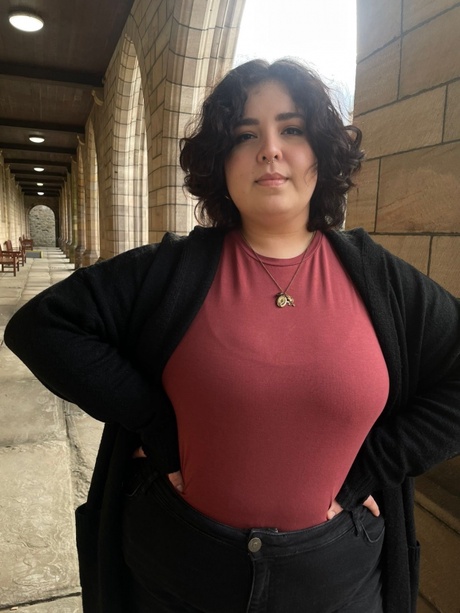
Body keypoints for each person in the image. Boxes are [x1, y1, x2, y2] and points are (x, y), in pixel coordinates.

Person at [4, 58, 460, 613]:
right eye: (246, 135)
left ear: (320, 149)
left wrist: (374, 466)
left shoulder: (382, 281)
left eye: (290, 129)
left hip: (335, 579)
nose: (270, 148)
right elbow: (42, 326)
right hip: (180, 566)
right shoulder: (171, 272)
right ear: (222, 161)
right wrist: (156, 422)